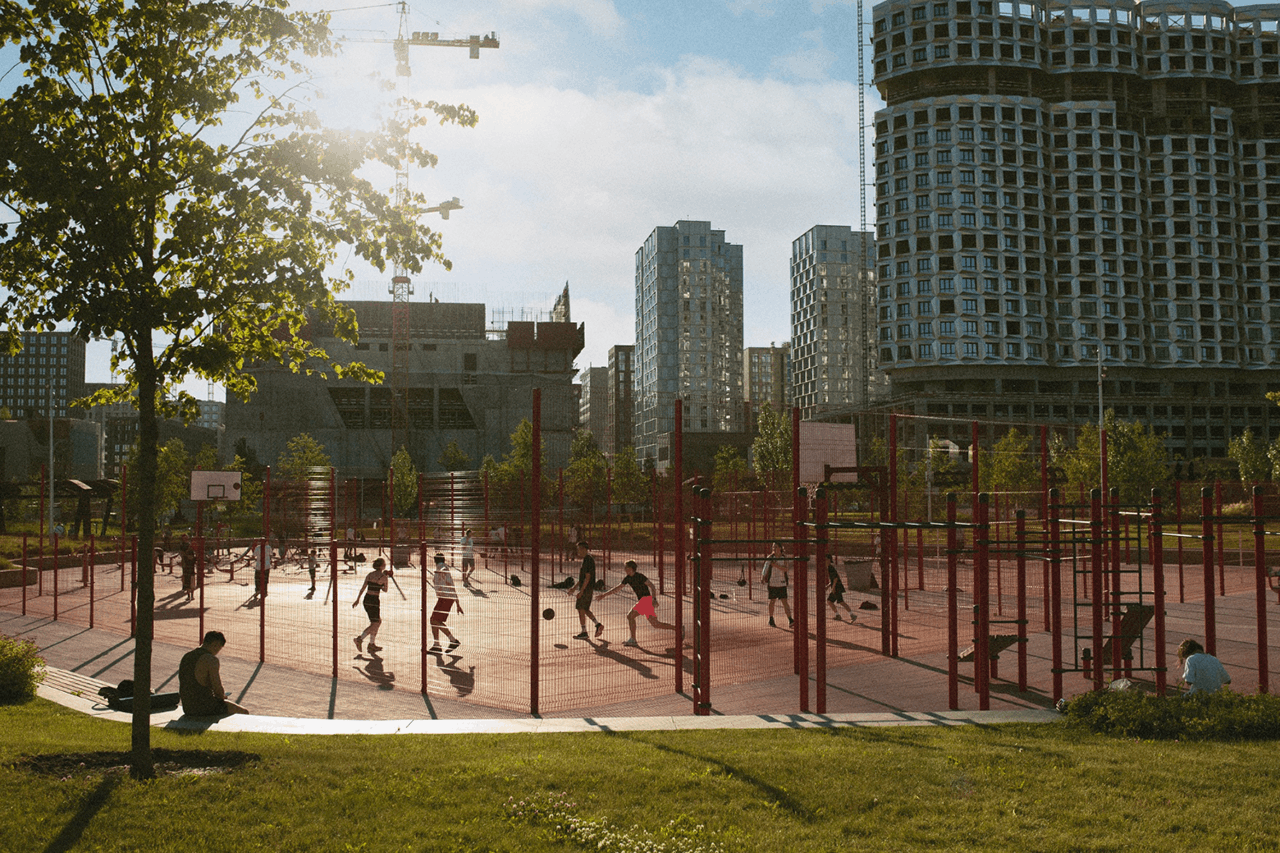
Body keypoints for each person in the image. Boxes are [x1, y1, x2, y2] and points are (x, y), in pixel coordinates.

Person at [599, 560, 680, 647]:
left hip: (646, 600)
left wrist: (654, 599)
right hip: (643, 601)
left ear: (631, 568)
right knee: (655, 624)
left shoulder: (640, 576)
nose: (624, 569)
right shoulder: (628, 578)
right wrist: (604, 595)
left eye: (626, 567)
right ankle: (678, 629)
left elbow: (652, 586)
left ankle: (633, 639)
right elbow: (618, 588)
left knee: (630, 616)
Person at [178, 630, 248, 716]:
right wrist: (222, 696)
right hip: (204, 707)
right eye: (219, 648)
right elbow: (217, 688)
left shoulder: (187, 656)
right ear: (215, 645)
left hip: (187, 707)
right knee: (244, 712)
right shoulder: (211, 660)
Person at [352, 557, 392, 654]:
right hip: (374, 600)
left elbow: (363, 587)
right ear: (382, 566)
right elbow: (385, 590)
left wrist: (357, 599)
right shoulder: (383, 577)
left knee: (377, 621)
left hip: (366, 599)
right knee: (375, 623)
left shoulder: (370, 574)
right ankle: (360, 639)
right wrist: (384, 580)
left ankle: (371, 644)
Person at [428, 553, 464, 654]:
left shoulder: (442, 567)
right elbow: (450, 583)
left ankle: (452, 640)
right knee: (434, 620)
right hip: (444, 597)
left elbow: (447, 579)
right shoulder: (442, 567)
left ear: (435, 561)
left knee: (434, 620)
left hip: (446, 598)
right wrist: (457, 603)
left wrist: (457, 602)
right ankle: (437, 644)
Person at [570, 539, 604, 640]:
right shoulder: (586, 559)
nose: (578, 551)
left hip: (586, 589)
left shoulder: (588, 560)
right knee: (585, 609)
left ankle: (584, 631)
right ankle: (598, 625)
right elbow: (582, 578)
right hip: (587, 589)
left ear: (584, 549)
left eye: (579, 549)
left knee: (580, 609)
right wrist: (574, 588)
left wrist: (581, 591)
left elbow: (587, 577)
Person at [761, 540, 793, 628]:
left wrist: (776, 565)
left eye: (775, 547)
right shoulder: (770, 557)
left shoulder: (784, 557)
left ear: (780, 548)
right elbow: (765, 568)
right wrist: (763, 577)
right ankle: (771, 619)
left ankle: (790, 619)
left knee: (785, 602)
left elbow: (786, 569)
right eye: (773, 547)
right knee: (772, 601)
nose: (774, 548)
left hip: (782, 583)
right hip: (772, 583)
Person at [826, 554, 856, 622]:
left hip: (837, 587)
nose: (824, 561)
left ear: (828, 560)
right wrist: (828, 586)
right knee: (831, 601)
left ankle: (851, 615)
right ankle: (839, 615)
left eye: (825, 559)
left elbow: (836, 578)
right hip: (837, 586)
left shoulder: (830, 567)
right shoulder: (829, 567)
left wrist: (833, 588)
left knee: (838, 602)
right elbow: (833, 579)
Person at [178, 534, 197, 602]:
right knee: (188, 578)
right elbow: (181, 553)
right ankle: (189, 595)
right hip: (186, 563)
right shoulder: (183, 545)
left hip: (189, 564)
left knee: (190, 578)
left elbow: (194, 554)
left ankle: (191, 595)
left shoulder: (190, 545)